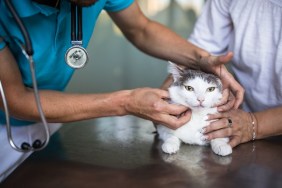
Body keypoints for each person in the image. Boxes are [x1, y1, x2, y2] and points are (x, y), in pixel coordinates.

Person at [0, 0, 243, 181]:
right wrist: (126, 102)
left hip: (54, 115)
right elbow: (15, 98)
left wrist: (202, 59)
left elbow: (141, 28)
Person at [188, 0, 282, 148]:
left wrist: (255, 124)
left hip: (246, 125)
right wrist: (167, 103)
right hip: (240, 128)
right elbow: (197, 54)